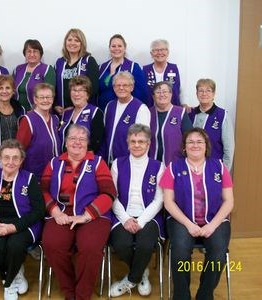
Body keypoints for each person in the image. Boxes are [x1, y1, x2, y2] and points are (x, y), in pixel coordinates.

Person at [41, 124, 117, 300]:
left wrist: (86, 215)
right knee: (53, 244)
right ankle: (69, 291)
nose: (77, 142)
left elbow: (109, 193)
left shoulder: (98, 162)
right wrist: (56, 212)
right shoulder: (54, 163)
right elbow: (43, 191)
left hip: (93, 215)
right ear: (66, 142)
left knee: (90, 247)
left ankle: (82, 295)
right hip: (61, 214)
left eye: (82, 139)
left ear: (87, 143)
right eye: (73, 138)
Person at [160, 128, 234, 300]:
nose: (195, 145)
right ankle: (181, 295)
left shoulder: (219, 167)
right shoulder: (173, 167)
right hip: (181, 220)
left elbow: (229, 201)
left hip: (215, 220)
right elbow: (168, 202)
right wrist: (188, 224)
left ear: (206, 146)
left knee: (218, 254)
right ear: (184, 147)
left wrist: (213, 225)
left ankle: (205, 294)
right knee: (179, 252)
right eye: (190, 142)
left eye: (199, 141)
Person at [0, 139, 45, 300]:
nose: (11, 162)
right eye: (6, 157)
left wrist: (13, 227)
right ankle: (15, 274)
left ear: (22, 160)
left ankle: (7, 284)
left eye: (16, 158)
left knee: (15, 245)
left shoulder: (29, 179)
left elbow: (39, 211)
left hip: (24, 223)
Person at [109, 124, 164, 297]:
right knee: (121, 244)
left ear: (148, 144)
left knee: (145, 244)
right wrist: (125, 219)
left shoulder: (159, 166)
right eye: (133, 141)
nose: (137, 145)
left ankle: (131, 279)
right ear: (127, 143)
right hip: (122, 214)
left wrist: (140, 221)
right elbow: (112, 196)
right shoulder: (117, 164)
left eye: (141, 141)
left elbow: (159, 200)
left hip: (149, 216)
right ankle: (141, 273)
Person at [99, 71, 150, 165]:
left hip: (129, 163)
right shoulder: (110, 106)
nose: (121, 88)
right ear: (113, 88)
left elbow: (143, 140)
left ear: (132, 87)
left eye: (125, 85)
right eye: (118, 85)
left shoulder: (141, 109)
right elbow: (105, 135)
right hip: (108, 162)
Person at [16, 83, 61, 181]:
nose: (45, 100)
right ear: (35, 100)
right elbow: (19, 150)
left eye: (48, 97)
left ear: (53, 99)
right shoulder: (28, 120)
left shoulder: (55, 119)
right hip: (35, 177)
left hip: (55, 174)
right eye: (41, 97)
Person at [188, 78, 235, 170]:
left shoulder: (222, 115)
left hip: (214, 168)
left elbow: (229, 148)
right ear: (196, 94)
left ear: (214, 94)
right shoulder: (190, 114)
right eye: (201, 90)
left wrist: (223, 172)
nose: (204, 94)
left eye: (208, 90)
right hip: (191, 168)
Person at [54, 28, 99, 114]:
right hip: (61, 112)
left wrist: (76, 106)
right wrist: (55, 105)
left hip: (83, 111)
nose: (72, 43)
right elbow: (54, 87)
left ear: (82, 44)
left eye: (76, 40)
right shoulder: (59, 62)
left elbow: (93, 88)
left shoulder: (89, 61)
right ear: (65, 42)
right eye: (69, 40)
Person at [98, 34, 147, 111]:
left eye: (119, 46)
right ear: (109, 48)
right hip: (103, 111)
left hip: (126, 112)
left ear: (125, 48)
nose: (116, 48)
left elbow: (142, 94)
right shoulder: (101, 67)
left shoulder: (134, 67)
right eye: (113, 46)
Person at [149, 81, 193, 165]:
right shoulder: (148, 113)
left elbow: (190, 139)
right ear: (153, 96)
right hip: (152, 165)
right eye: (158, 92)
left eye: (165, 92)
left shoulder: (180, 113)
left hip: (175, 164)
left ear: (171, 94)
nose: (161, 95)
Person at [59, 75, 104, 153]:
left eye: (81, 90)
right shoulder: (66, 113)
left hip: (84, 161)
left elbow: (95, 144)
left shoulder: (95, 112)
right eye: (74, 90)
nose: (76, 94)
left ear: (87, 94)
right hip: (64, 160)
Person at [13, 39, 56, 112]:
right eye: (29, 51)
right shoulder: (18, 69)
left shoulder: (47, 69)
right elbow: (12, 91)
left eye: (35, 51)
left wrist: (34, 112)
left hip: (39, 113)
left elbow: (49, 95)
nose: (32, 54)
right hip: (18, 112)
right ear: (25, 54)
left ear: (40, 54)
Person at [143, 39, 181, 107]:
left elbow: (182, 89)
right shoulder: (144, 70)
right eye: (156, 50)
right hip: (150, 110)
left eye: (163, 49)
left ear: (168, 52)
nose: (159, 53)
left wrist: (184, 103)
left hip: (173, 111)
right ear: (151, 53)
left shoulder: (176, 68)